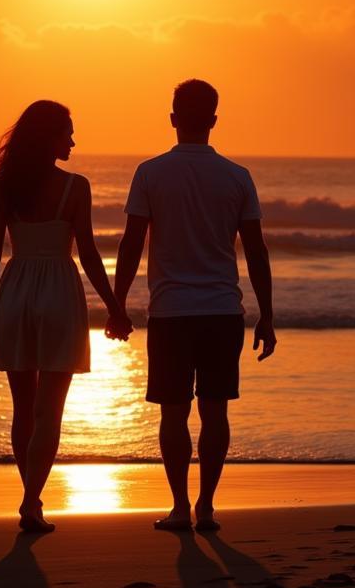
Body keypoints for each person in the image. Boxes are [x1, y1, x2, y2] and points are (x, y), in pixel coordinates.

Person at [107, 79, 275, 532]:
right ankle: (206, 506)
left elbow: (131, 243)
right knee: (215, 410)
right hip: (223, 311)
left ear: (173, 118)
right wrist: (268, 314)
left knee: (173, 412)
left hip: (171, 312)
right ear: (214, 121)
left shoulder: (150, 172)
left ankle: (180, 506)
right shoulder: (237, 176)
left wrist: (117, 303)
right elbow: (256, 251)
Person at [0, 101, 132, 533]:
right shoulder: (76, 187)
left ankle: (31, 499)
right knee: (49, 411)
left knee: (23, 410)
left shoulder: (5, 187)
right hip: (58, 292)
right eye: (67, 133)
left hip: (15, 291)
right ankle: (31, 500)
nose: (72, 141)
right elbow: (89, 254)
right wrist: (114, 307)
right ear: (48, 137)